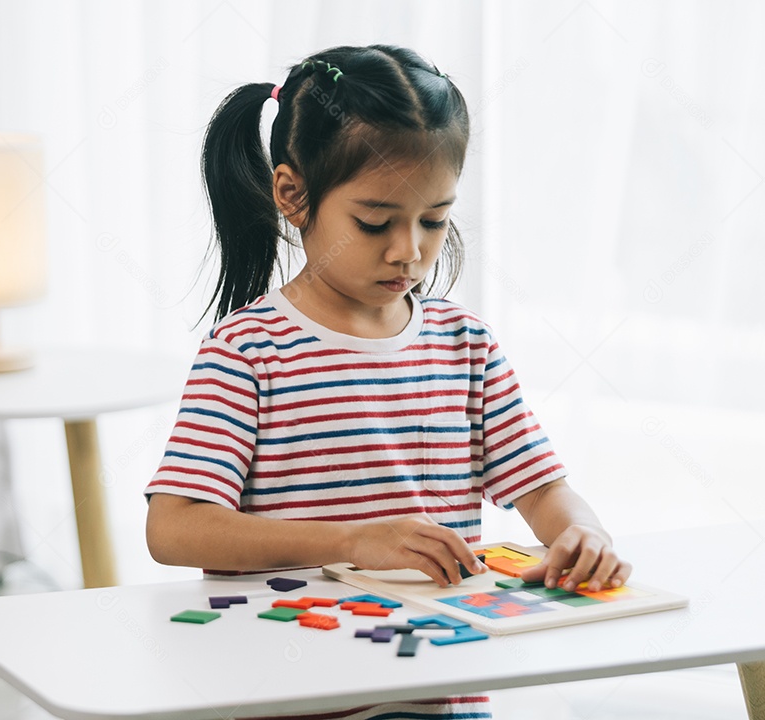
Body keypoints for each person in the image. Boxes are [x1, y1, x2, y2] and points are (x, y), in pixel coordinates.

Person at [145, 44, 631, 719]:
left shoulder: (465, 345)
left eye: (434, 219)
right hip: (292, 693)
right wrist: (349, 542)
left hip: (442, 691)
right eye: (375, 223)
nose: (410, 250)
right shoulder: (249, 351)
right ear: (293, 194)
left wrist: (585, 535)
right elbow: (175, 529)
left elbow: (545, 491)